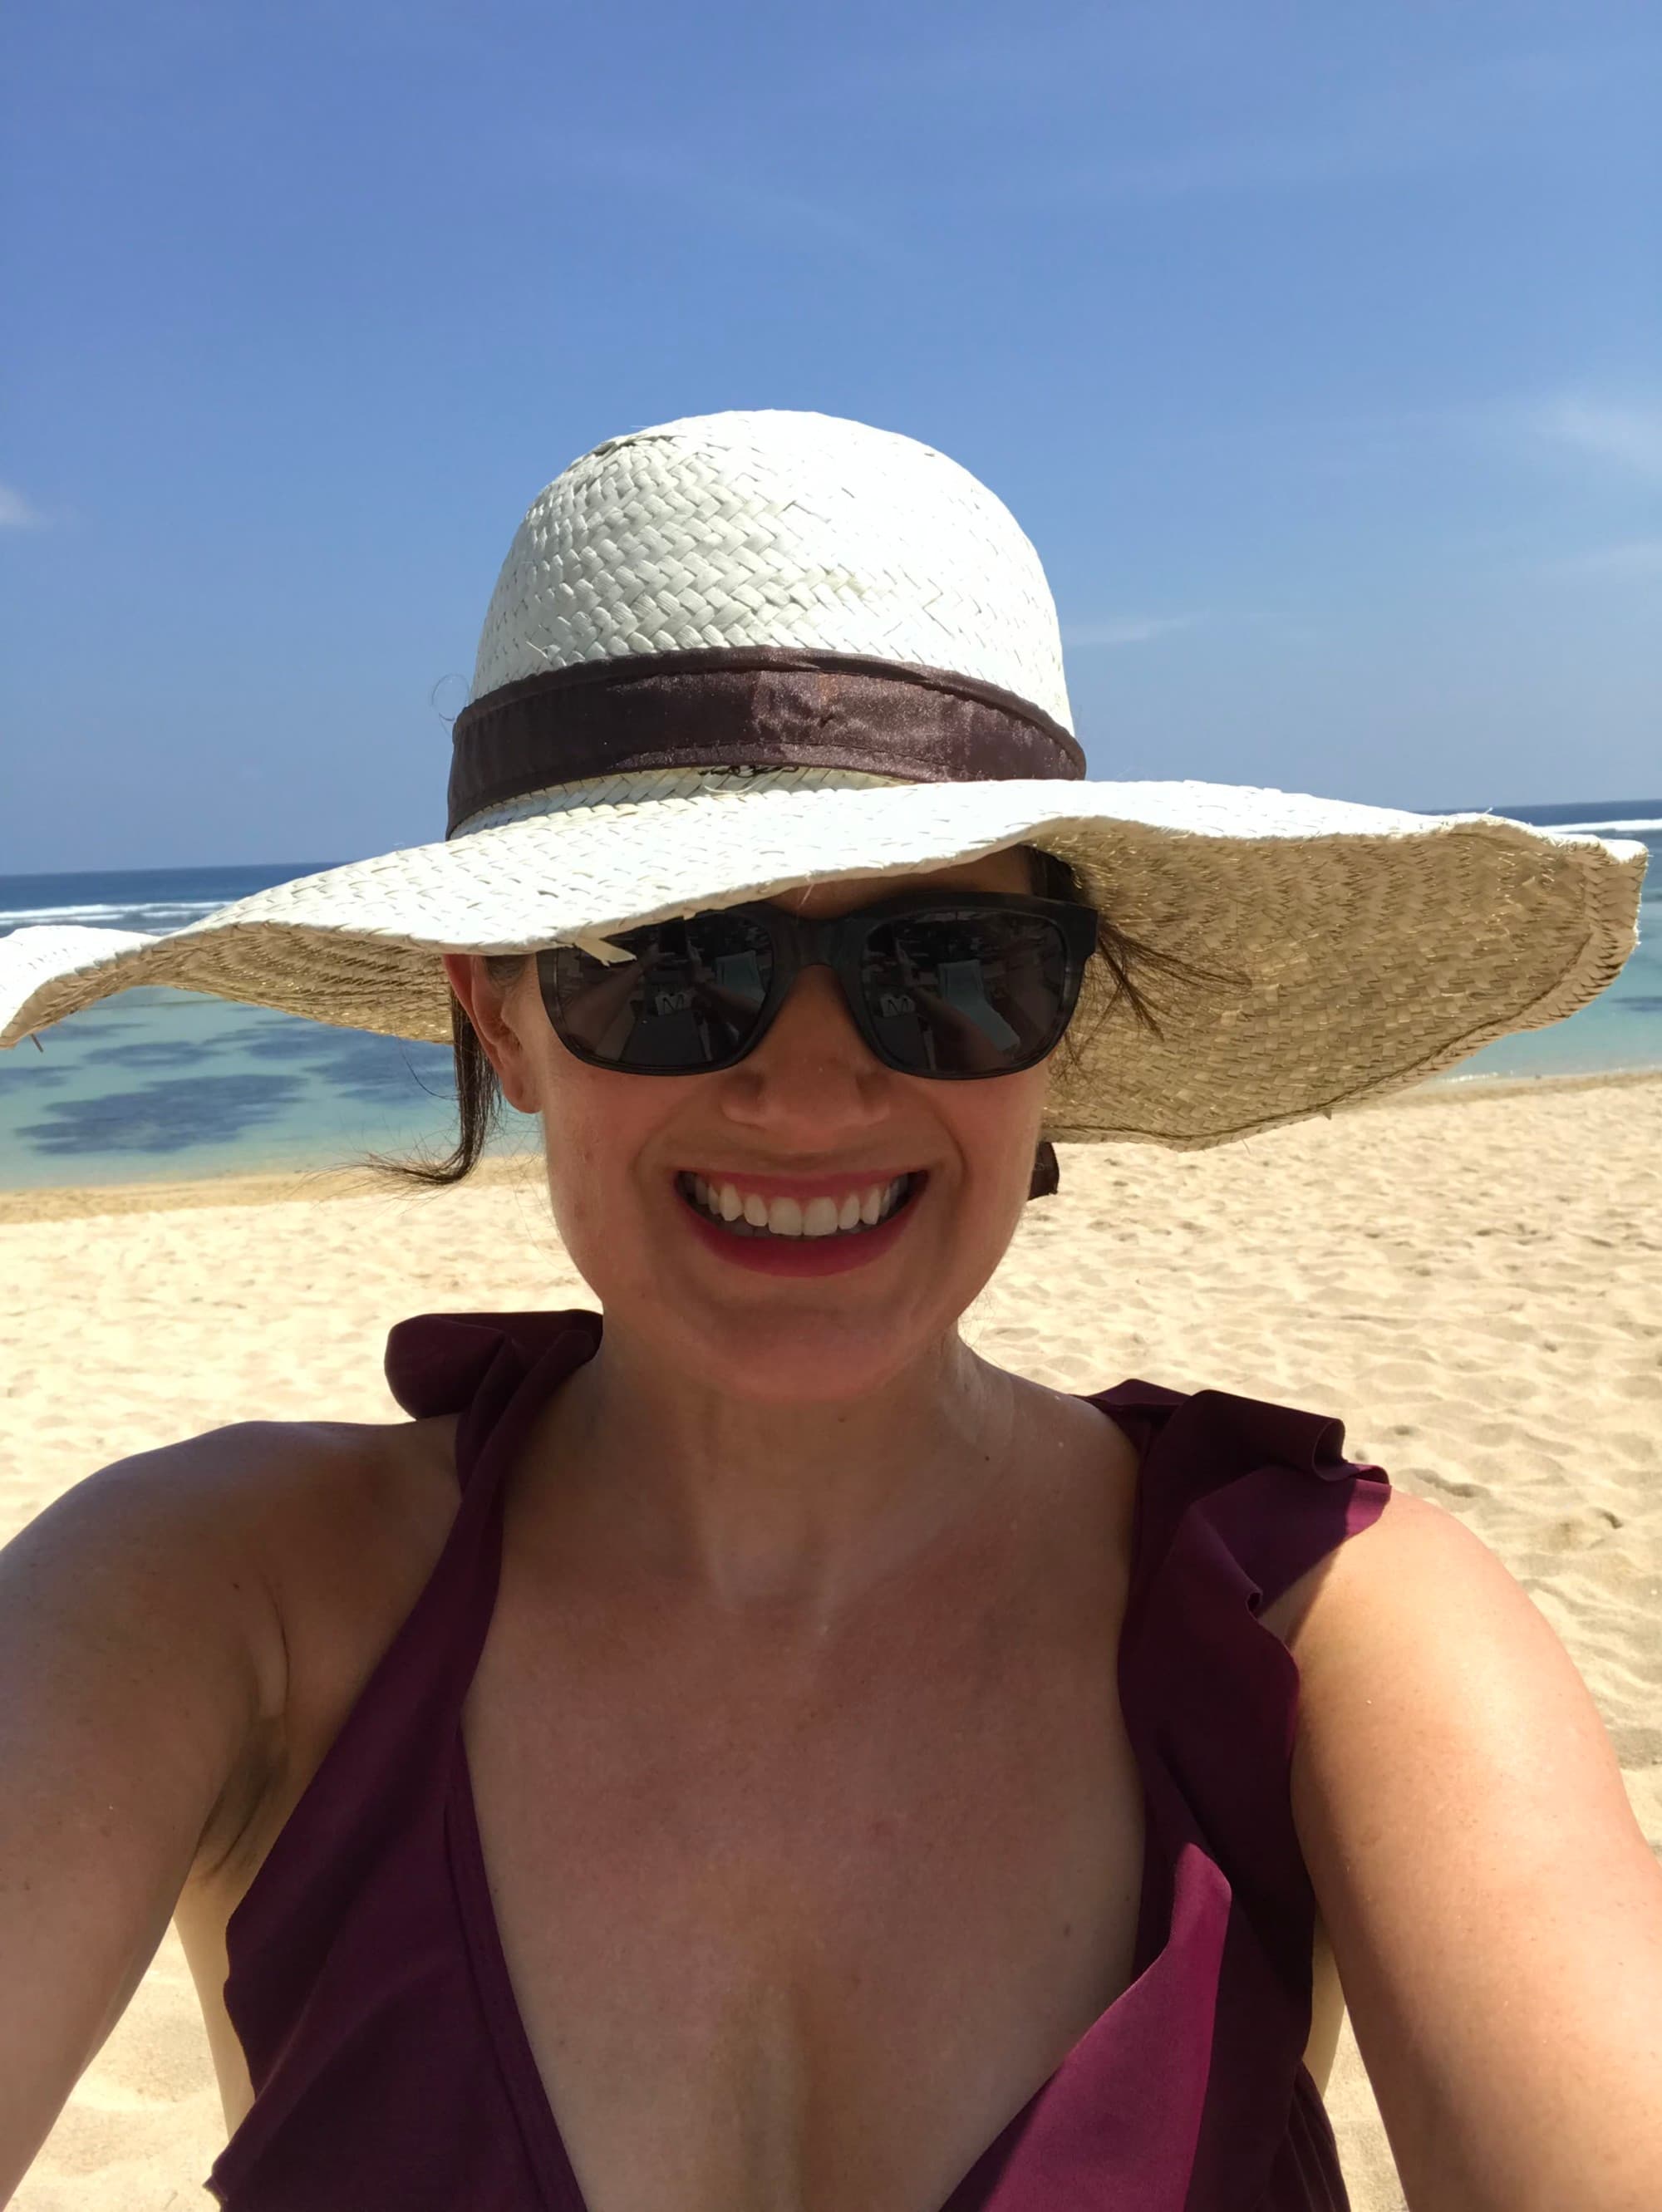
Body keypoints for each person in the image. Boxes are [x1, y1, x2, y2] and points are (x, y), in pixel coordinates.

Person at [1, 410, 1657, 2212]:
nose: (807, 1094)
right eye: (673, 961)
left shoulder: (1338, 1628)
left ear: (1064, 1013)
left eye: (945, 963)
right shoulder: (201, 1600)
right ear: (502, 1018)